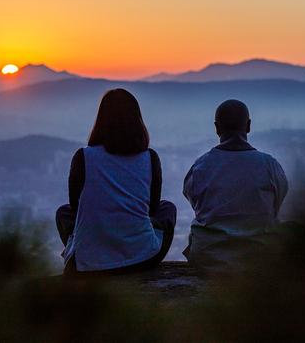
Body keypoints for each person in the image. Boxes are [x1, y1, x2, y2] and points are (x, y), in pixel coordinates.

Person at [55, 88, 176, 276]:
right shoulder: (149, 158)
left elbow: (75, 206)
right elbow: (151, 208)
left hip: (90, 262)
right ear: (138, 121)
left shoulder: (84, 157)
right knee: (167, 208)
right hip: (142, 258)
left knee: (63, 212)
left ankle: (79, 248)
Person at [183, 99, 288, 273]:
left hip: (209, 259)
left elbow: (196, 204)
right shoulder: (269, 165)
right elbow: (277, 204)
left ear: (217, 128)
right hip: (259, 257)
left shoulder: (201, 166)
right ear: (248, 126)